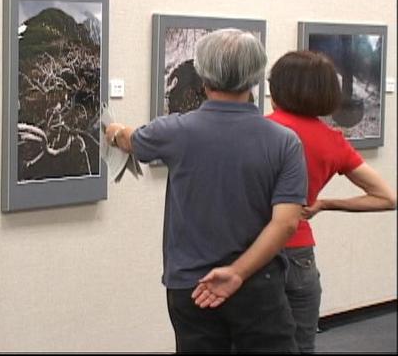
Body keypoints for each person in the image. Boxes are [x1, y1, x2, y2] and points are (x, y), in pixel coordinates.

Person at [105, 28, 307, 353]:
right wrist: (237, 274)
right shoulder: (283, 142)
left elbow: (131, 139)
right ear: (255, 79)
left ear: (203, 76)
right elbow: (285, 223)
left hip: (192, 285)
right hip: (257, 282)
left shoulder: (176, 131)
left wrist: (114, 132)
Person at [266, 50, 397, 353]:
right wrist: (325, 204)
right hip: (300, 254)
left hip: (253, 248)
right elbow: (387, 198)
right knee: (300, 346)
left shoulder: (261, 129)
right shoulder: (332, 141)